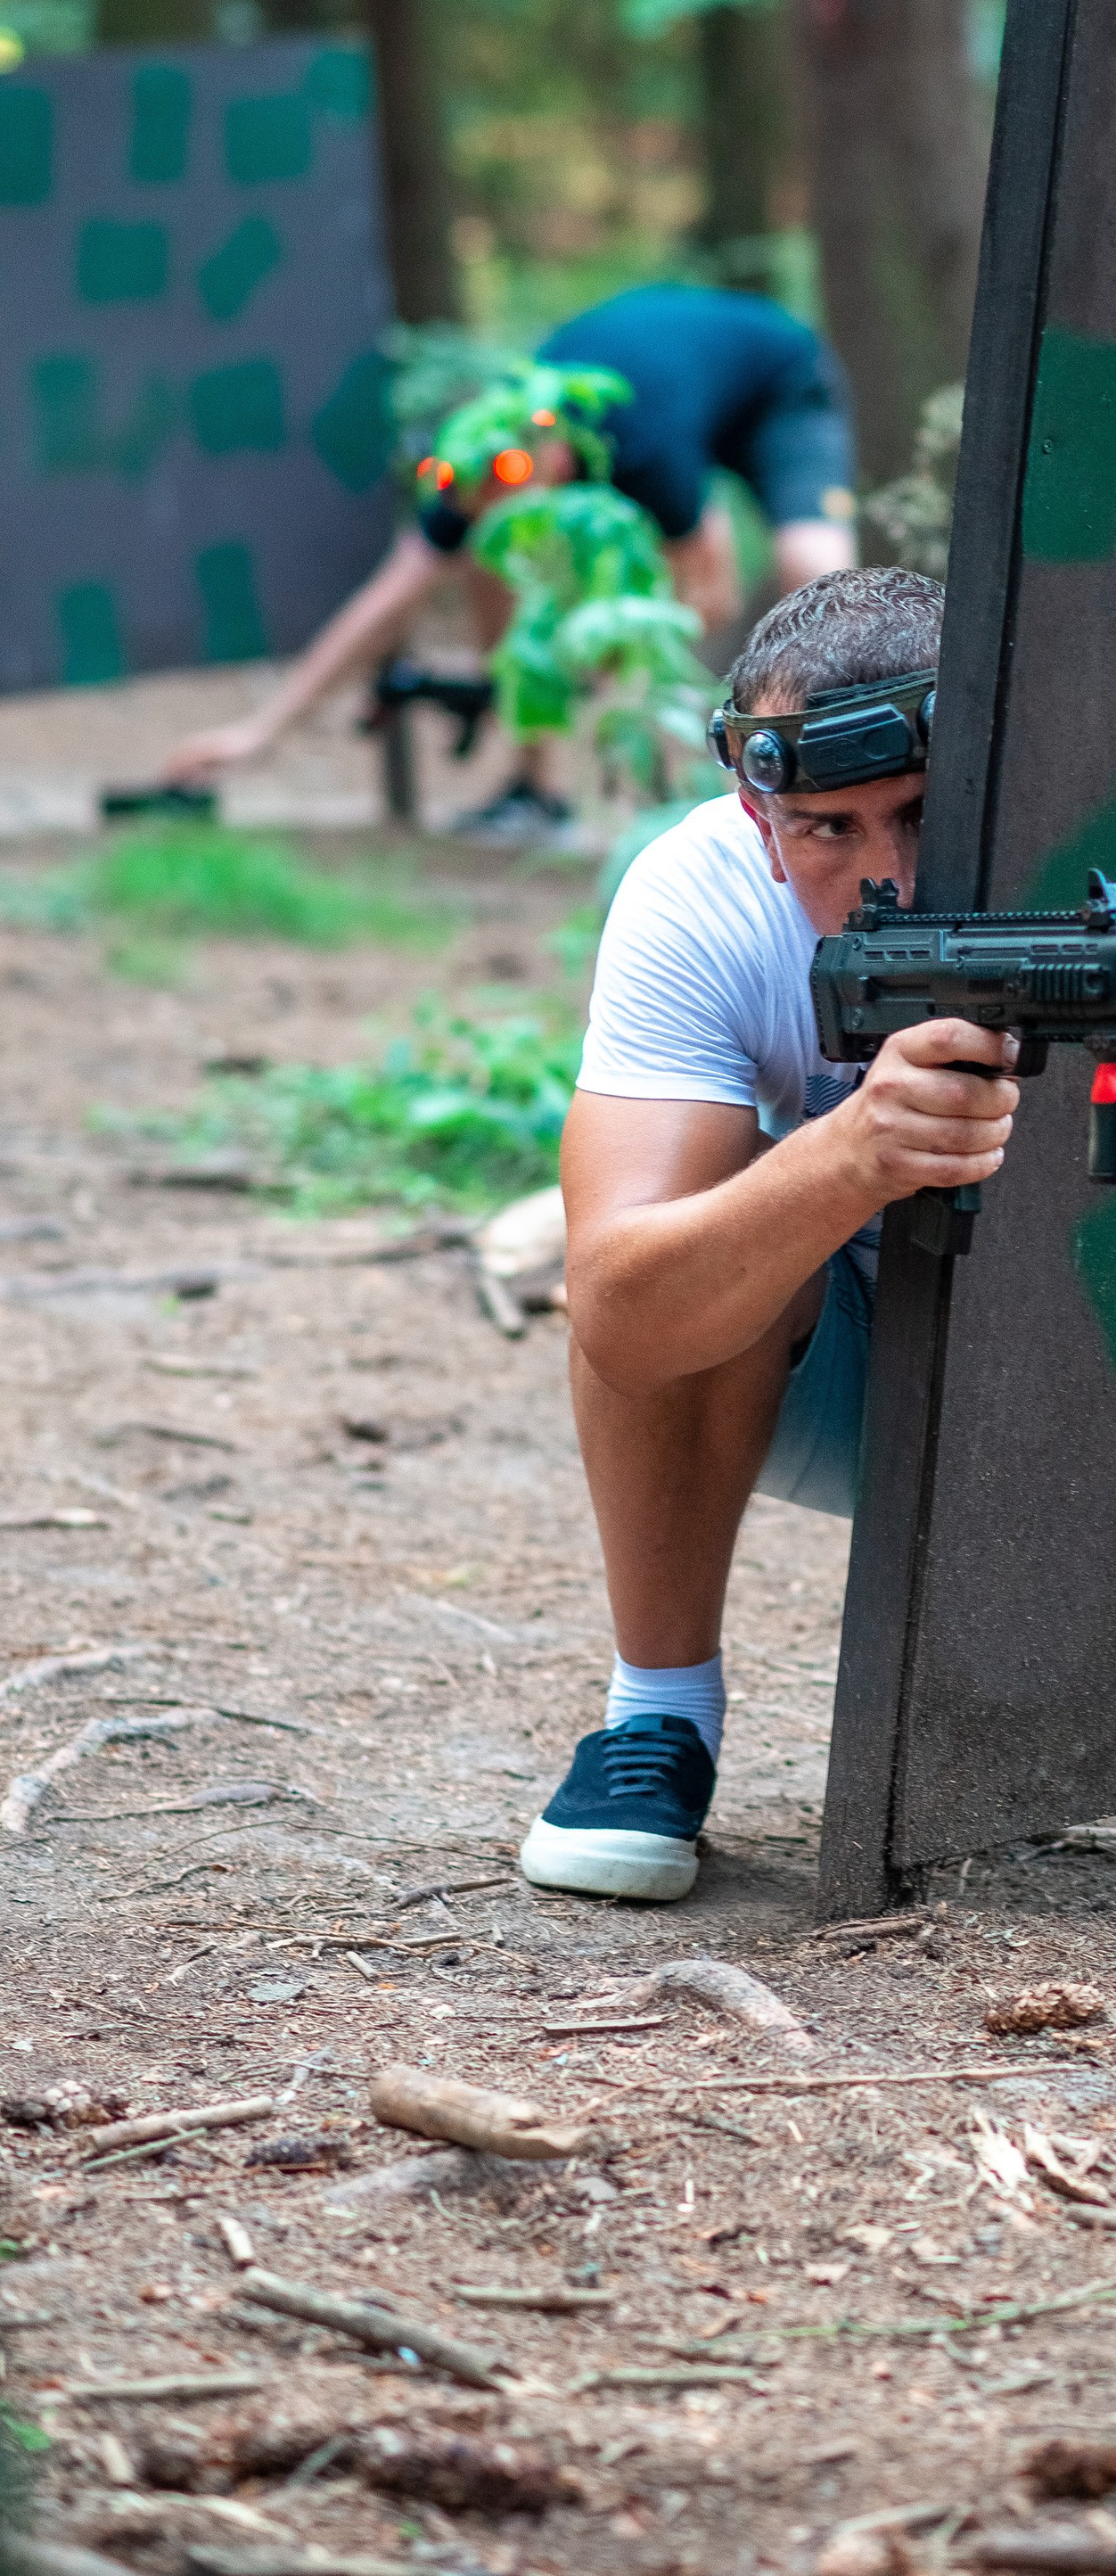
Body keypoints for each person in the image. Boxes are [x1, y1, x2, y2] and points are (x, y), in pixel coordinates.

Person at [516, 563, 1018, 1902]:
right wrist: (845, 1158)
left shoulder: (1106, 851)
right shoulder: (699, 897)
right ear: (756, 809)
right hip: (857, 1378)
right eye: (827, 829)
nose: (887, 876)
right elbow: (621, 1309)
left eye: (919, 814)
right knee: (687, 1222)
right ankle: (658, 1718)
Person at [161, 282, 859, 841]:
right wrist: (262, 730)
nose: (495, 501)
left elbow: (713, 592)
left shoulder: (640, 441)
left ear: (552, 451)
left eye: (512, 483)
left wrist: (604, 665)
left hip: (772, 378)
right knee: (484, 562)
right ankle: (534, 788)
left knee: (811, 563)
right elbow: (388, 597)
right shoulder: (477, 462)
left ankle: (839, 768)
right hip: (669, 377)